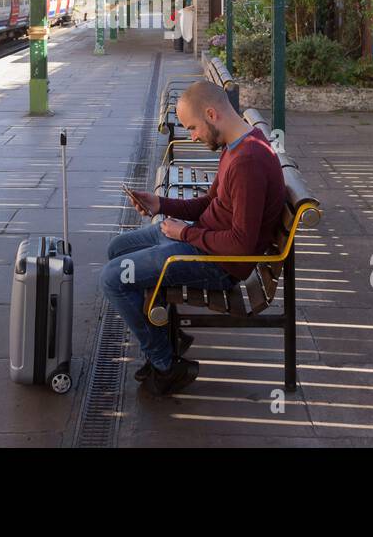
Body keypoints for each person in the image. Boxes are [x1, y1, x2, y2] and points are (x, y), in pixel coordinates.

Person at [101, 80, 287, 397]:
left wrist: (184, 233)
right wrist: (161, 204)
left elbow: (241, 245)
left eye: (193, 128)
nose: (193, 137)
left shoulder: (248, 162)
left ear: (211, 114)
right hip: (201, 240)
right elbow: (209, 203)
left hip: (218, 264)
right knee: (117, 249)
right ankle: (165, 334)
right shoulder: (238, 144)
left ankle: (165, 364)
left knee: (112, 279)